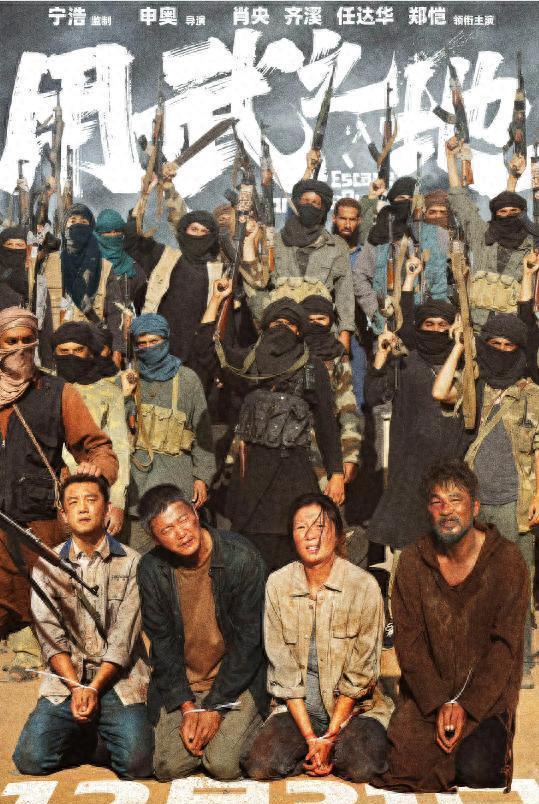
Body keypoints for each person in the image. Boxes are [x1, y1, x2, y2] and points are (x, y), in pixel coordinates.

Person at [372, 460, 529, 793]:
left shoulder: (508, 561)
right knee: (403, 766)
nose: (446, 510)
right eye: (437, 502)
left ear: (475, 507)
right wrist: (439, 702)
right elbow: (410, 645)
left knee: (478, 770)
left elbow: (505, 648)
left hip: (485, 696)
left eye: (456, 500)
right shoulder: (413, 561)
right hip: (428, 693)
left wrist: (466, 706)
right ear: (427, 511)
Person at [0, 307, 118, 679]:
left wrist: (95, 471)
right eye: (11, 341)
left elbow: (98, 448)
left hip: (37, 523)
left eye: (27, 340)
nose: (20, 348)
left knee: (41, 599)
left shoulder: (57, 392)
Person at [243, 493, 392, 782]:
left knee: (361, 766)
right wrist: (312, 738)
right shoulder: (278, 584)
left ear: (337, 533)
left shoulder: (363, 586)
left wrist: (331, 735)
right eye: (301, 527)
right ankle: (316, 751)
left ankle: (331, 750)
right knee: (260, 765)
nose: (310, 535)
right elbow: (284, 672)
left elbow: (360, 675)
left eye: (319, 526)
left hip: (353, 711)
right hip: (299, 711)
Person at [12, 474, 153, 779]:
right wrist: (78, 688)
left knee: (137, 764)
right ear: (63, 514)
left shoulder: (133, 563)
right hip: (68, 680)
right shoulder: (46, 566)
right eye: (73, 503)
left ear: (108, 509)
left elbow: (123, 639)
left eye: (91, 500)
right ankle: (85, 735)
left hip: (118, 680)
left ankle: (98, 736)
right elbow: (51, 638)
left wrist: (94, 688)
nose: (83, 508)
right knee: (30, 759)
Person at [433, 311, 539, 687]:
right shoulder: (475, 386)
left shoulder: (530, 394)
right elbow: (440, 391)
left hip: (514, 502)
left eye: (510, 346)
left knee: (515, 583)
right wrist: (459, 349)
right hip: (475, 502)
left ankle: (520, 662)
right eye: (495, 344)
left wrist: (538, 494)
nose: (503, 351)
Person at [136, 484, 267, 781]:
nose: (181, 533)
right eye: (167, 530)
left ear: (195, 513)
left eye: (183, 519)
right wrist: (187, 708)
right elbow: (162, 646)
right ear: (155, 539)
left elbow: (249, 643)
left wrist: (214, 707)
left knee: (222, 765)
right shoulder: (151, 569)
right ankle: (212, 731)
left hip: (236, 681)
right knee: (167, 767)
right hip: (186, 685)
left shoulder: (241, 557)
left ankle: (253, 721)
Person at [217, 296, 345, 573]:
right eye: (276, 323)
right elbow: (212, 352)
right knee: (250, 559)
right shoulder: (247, 363)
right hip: (251, 478)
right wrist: (219, 300)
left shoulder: (313, 367)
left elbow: (327, 423)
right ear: (264, 328)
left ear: (299, 331)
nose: (282, 328)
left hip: (294, 475)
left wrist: (336, 473)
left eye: (289, 323)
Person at [125, 313, 215, 553]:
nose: (148, 348)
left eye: (154, 342)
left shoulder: (187, 380)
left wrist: (202, 477)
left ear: (165, 340)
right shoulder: (128, 379)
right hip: (137, 487)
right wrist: (125, 399)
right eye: (142, 344)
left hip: (176, 480)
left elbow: (203, 434)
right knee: (138, 555)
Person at [243, 178, 355, 352]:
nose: (310, 206)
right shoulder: (274, 243)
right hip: (280, 332)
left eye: (316, 203)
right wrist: (267, 316)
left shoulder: (337, 246)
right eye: (305, 201)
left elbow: (345, 292)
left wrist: (345, 332)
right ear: (296, 204)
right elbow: (258, 284)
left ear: (323, 209)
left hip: (321, 334)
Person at [52, 321, 131, 537]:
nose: (71, 357)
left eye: (78, 350)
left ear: (89, 352)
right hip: (47, 496)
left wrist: (117, 502)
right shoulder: (45, 389)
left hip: (90, 491)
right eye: (64, 351)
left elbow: (120, 449)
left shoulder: (108, 392)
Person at [446, 140, 535, 328]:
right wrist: (450, 157)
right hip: (479, 328)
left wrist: (512, 180)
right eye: (503, 212)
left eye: (514, 212)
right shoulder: (483, 236)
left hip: (512, 332)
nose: (508, 216)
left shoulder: (531, 246)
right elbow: (460, 202)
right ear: (495, 215)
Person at [352, 177, 449, 337]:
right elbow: (359, 276)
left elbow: (442, 285)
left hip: (426, 327)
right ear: (392, 201)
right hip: (387, 325)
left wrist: (437, 320)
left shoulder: (438, 234)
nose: (406, 203)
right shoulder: (379, 234)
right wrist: (376, 311)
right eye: (401, 198)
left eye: (411, 199)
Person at [124, 206, 223, 361]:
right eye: (194, 229)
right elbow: (133, 244)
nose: (198, 235)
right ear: (184, 231)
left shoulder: (219, 270)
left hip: (199, 347)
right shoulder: (164, 256)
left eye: (204, 231)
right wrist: (136, 212)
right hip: (160, 344)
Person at [93, 208, 148, 366]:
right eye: (107, 232)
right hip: (92, 339)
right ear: (98, 234)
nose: (113, 236)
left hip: (125, 340)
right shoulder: (88, 266)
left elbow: (143, 307)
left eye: (117, 231)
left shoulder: (134, 269)